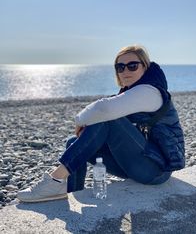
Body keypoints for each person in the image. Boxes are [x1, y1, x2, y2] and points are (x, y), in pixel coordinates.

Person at [17, 45, 185, 203]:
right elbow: (106, 109)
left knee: (108, 120)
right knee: (72, 142)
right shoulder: (131, 92)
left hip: (156, 170)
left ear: (145, 66)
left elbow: (104, 108)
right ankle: (68, 192)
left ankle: (55, 179)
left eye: (132, 65)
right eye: (120, 67)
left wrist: (80, 121)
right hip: (138, 163)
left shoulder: (150, 91)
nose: (125, 71)